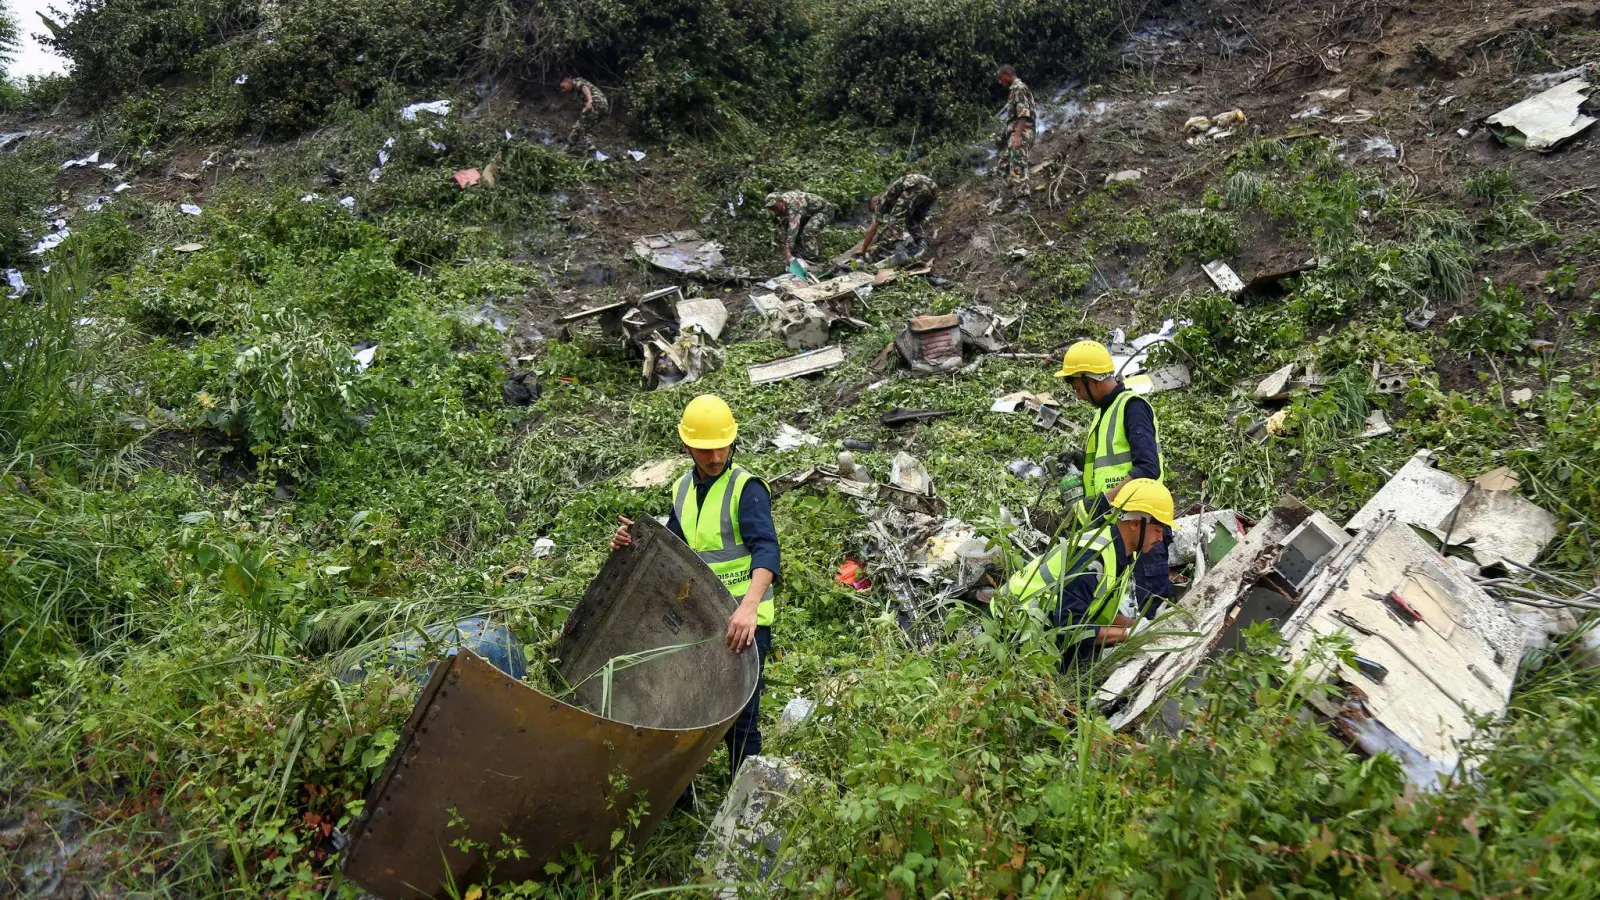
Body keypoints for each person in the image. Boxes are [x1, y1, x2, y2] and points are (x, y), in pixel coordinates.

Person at [609, 394, 779, 774]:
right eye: (705, 450)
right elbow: (674, 550)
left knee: (742, 717)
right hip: (700, 618)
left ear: (733, 441)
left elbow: (767, 550)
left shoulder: (746, 489)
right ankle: (682, 797)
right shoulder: (682, 490)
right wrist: (630, 542)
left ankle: (743, 800)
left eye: (722, 447)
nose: (716, 457)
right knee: (687, 705)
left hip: (744, 621)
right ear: (686, 445)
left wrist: (748, 609)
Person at [999, 479, 1175, 667]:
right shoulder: (1093, 559)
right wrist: (1129, 634)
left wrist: (1139, 625)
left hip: (1040, 623)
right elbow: (1068, 625)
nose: (1160, 537)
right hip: (1013, 627)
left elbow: (1094, 612)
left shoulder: (1118, 553)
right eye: (1157, 529)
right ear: (1134, 524)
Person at [1054, 340, 1173, 616]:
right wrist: (1082, 460)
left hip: (1142, 522)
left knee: (1152, 607)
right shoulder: (1104, 413)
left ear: (1092, 380)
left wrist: (1104, 502)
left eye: (1077, 388)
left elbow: (1147, 468)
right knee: (1124, 601)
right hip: (1122, 525)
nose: (1078, 396)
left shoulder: (1131, 406)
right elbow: (1113, 463)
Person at [852, 173, 938, 258]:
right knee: (913, 219)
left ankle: (900, 253)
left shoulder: (881, 200)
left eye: (873, 210)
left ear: (874, 203)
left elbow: (872, 229)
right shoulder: (893, 195)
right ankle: (923, 245)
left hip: (915, 185)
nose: (876, 212)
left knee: (894, 219)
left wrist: (863, 249)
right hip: (933, 188)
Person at [995, 65, 1037, 195]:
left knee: (1018, 166)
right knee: (1003, 166)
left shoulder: (1019, 89)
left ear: (1007, 74)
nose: (1001, 83)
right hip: (1016, 133)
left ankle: (1023, 203)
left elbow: (1024, 114)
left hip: (1023, 132)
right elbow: (1013, 119)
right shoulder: (1014, 91)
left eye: (1001, 79)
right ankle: (1012, 194)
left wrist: (1018, 136)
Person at [765, 190, 833, 265]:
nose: (775, 210)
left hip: (824, 210)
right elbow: (785, 229)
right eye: (772, 208)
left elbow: (793, 230)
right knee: (797, 234)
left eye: (775, 207)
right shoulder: (782, 207)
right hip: (808, 213)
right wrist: (786, 248)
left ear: (781, 201)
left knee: (807, 231)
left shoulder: (793, 204)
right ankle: (799, 254)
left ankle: (813, 258)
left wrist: (788, 251)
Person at [559, 76, 610, 150]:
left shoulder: (575, 82)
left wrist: (590, 100)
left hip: (596, 103)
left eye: (563, 87)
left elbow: (585, 87)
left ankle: (570, 147)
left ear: (567, 81)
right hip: (603, 106)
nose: (563, 90)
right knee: (586, 126)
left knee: (581, 126)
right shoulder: (575, 90)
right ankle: (588, 148)